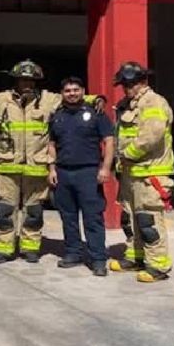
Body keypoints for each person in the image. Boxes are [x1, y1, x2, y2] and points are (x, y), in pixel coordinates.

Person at [0, 59, 105, 264]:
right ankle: (4, 248)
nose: (27, 84)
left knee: (33, 211)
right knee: (5, 211)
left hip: (36, 167)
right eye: (22, 80)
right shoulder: (0, 100)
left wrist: (97, 98)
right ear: (15, 81)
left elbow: (73, 97)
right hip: (7, 166)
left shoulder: (49, 100)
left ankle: (30, 248)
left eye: (31, 80)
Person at [108, 62, 174, 283]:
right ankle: (135, 257)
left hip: (150, 174)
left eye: (131, 83)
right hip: (130, 174)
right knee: (130, 219)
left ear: (143, 82)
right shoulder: (126, 105)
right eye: (124, 84)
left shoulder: (154, 102)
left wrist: (127, 154)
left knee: (149, 220)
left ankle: (157, 266)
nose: (127, 88)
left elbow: (151, 136)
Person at [47, 77, 114, 277]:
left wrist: (106, 168)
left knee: (93, 217)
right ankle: (73, 253)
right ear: (62, 93)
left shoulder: (96, 113)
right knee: (68, 217)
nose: (72, 93)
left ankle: (98, 258)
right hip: (63, 172)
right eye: (68, 90)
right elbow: (51, 144)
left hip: (89, 172)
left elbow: (109, 142)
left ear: (83, 91)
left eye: (76, 90)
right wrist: (51, 169)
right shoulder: (57, 116)